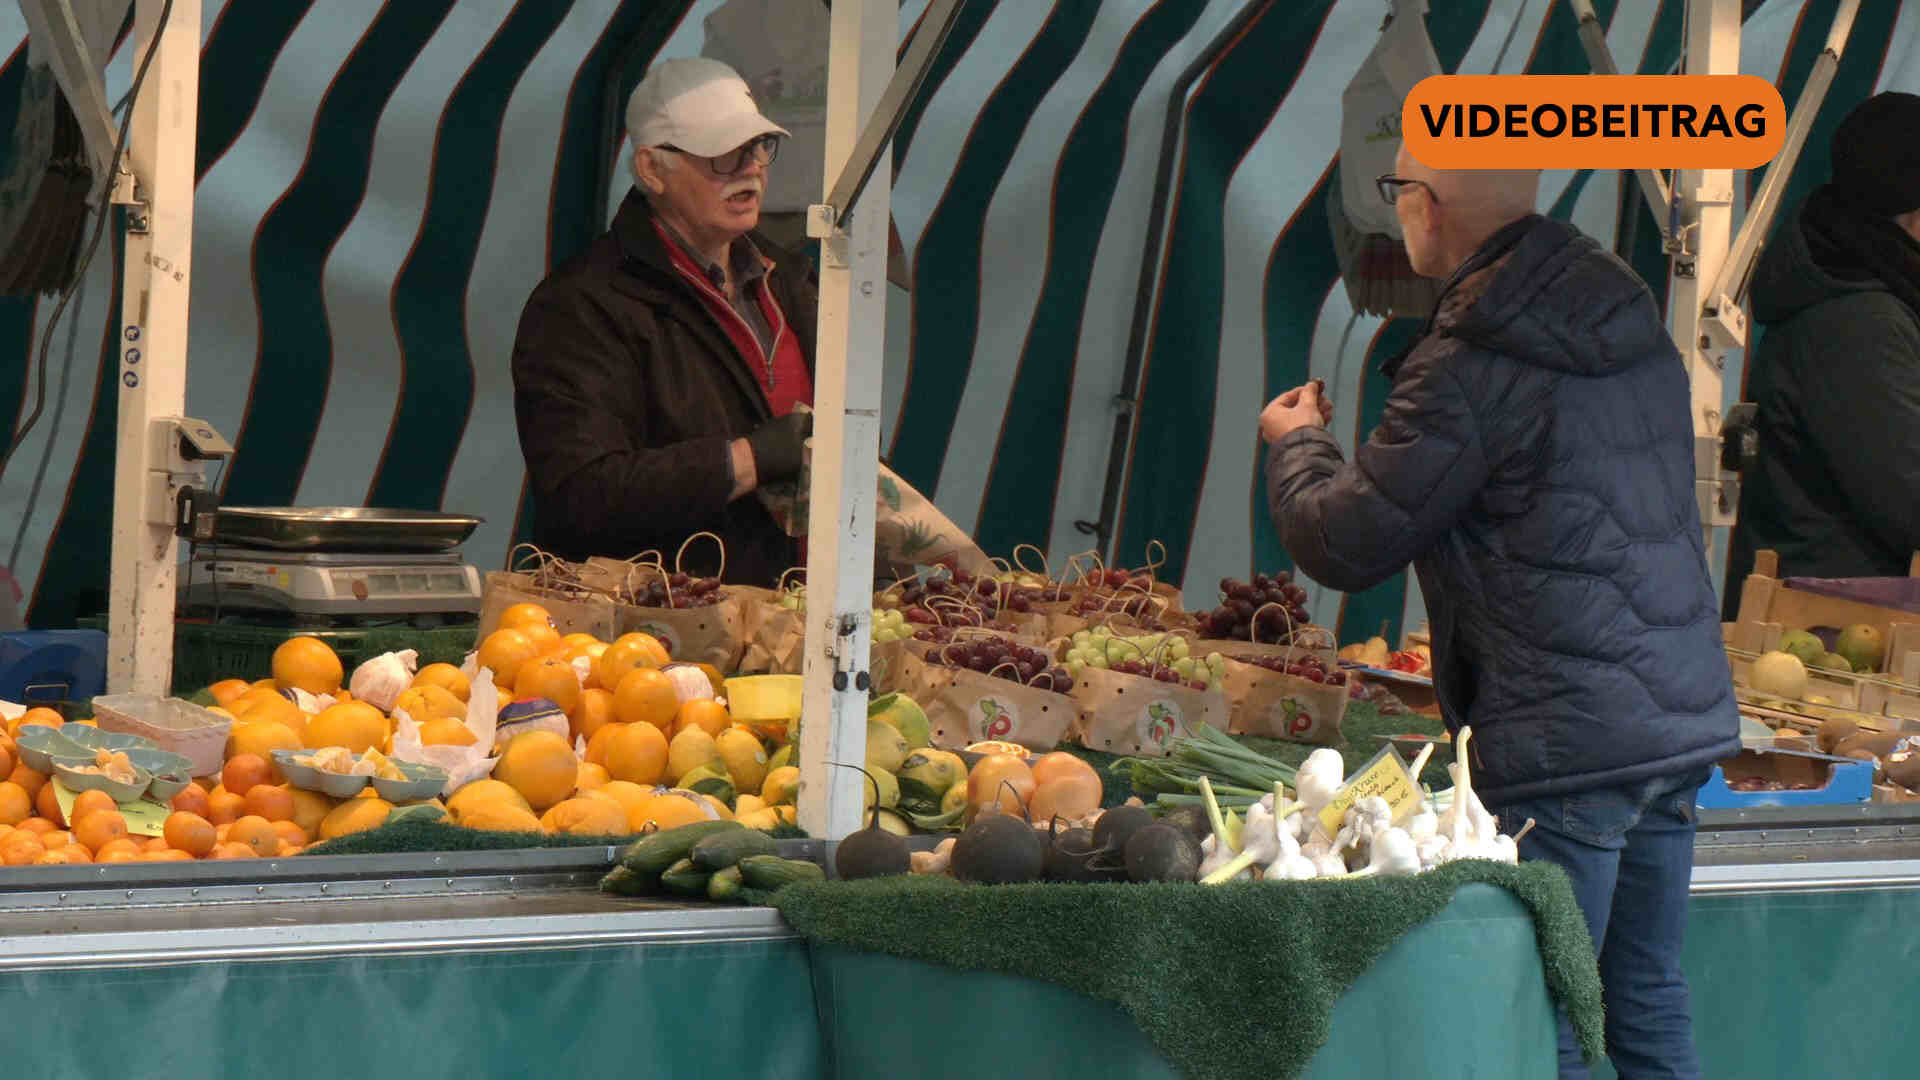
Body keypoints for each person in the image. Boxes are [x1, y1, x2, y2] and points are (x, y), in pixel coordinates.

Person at [1260, 144, 1739, 1079]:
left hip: (1564, 733)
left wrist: (1299, 444)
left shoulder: (1470, 358)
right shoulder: (1626, 312)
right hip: (1669, 716)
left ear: (1427, 207)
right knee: (1643, 994)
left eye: (1398, 193)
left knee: (1541, 1014)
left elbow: (1347, 542)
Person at [512, 57, 815, 585]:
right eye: (721, 152)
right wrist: (748, 459)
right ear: (652, 169)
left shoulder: (791, 281)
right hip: (660, 639)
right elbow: (581, 496)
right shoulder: (581, 305)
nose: (750, 167)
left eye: (758, 146)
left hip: (796, 621)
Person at [1725, 91, 1920, 608]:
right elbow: (1909, 497)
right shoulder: (1857, 321)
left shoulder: (1867, 293)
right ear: (1911, 211)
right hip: (1822, 628)